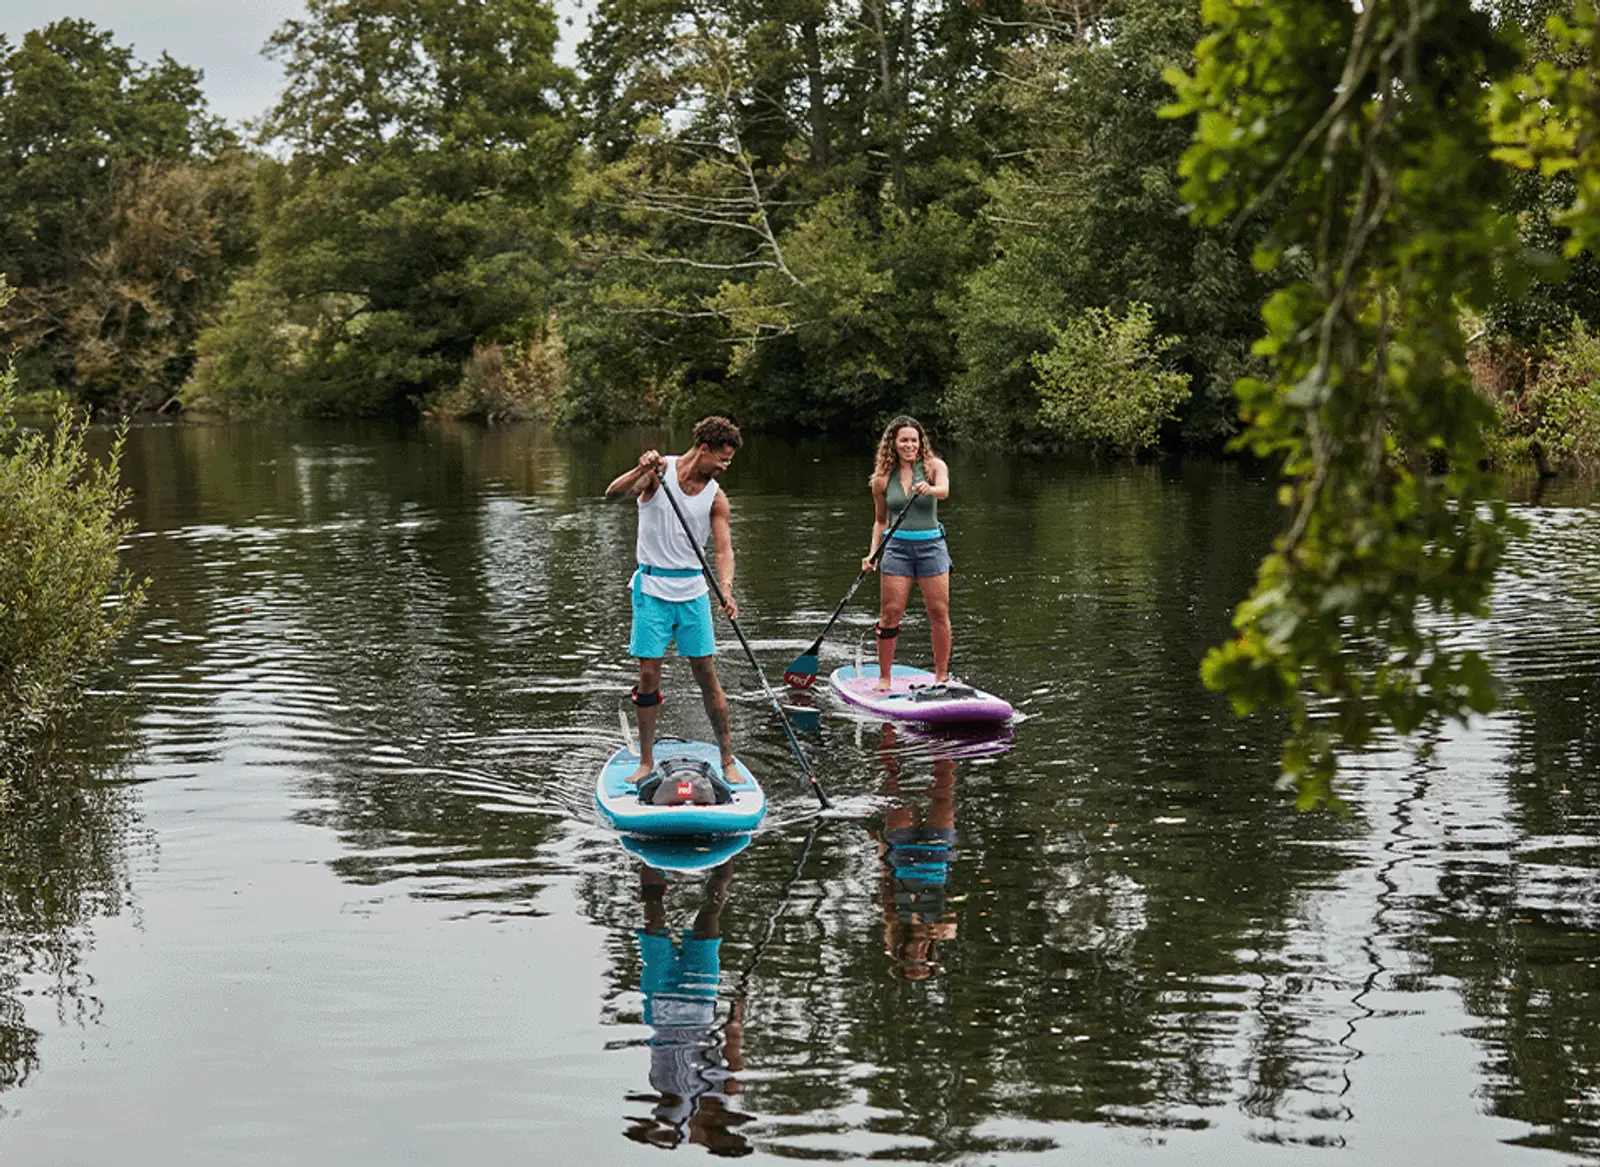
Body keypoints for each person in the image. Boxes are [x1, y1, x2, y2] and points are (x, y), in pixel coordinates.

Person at [605, 416, 743, 784]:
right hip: (652, 590)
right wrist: (639, 468)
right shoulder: (658, 472)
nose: (725, 467)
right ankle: (646, 761)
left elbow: (724, 549)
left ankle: (727, 759)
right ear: (703, 449)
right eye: (722, 459)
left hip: (693, 592)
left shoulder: (716, 496)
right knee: (649, 675)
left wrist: (726, 589)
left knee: (706, 674)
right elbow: (612, 495)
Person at [625, 861, 752, 1154]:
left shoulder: (675, 1125)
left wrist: (656, 1133)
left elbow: (640, 1127)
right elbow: (733, 1046)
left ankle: (649, 857)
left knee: (654, 917)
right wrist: (738, 1012)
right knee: (711, 914)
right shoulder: (725, 1092)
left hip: (662, 1005)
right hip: (699, 1001)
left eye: (721, 1128)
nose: (722, 1119)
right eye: (727, 1125)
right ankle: (726, 854)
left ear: (709, 1137)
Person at [861, 415, 952, 691]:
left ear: (920, 442)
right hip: (897, 549)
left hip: (931, 547)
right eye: (904, 440)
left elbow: (945, 491)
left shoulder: (934, 466)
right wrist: (872, 554)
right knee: (890, 613)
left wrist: (931, 489)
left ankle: (941, 676)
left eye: (914, 440)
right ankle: (884, 678)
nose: (910, 445)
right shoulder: (881, 480)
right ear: (894, 444)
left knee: (938, 611)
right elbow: (880, 521)